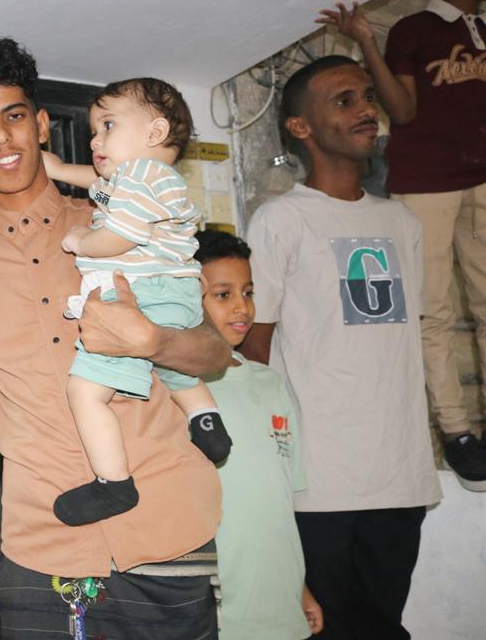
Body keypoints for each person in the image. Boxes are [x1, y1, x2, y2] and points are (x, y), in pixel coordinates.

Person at [0, 34, 226, 639]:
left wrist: (154, 342)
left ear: (41, 126)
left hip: (170, 528)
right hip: (43, 548)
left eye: (14, 117)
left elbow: (215, 352)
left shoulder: (125, 220)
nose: (1, 138)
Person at [240, 56, 442, 639]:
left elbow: (403, 339)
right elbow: (255, 350)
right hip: (318, 478)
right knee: (328, 629)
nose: (366, 110)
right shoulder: (280, 221)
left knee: (384, 628)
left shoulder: (401, 221)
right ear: (300, 127)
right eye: (344, 100)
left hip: (400, 472)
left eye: (367, 97)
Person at [316, 0, 486, 490]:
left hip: (483, 180)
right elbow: (404, 112)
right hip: (427, 181)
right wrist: (368, 42)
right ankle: (457, 431)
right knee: (432, 309)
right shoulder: (416, 29)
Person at [42, 78, 231, 527]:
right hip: (177, 295)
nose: (95, 139)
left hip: (145, 293)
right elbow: (98, 183)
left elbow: (120, 237)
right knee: (174, 370)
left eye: (107, 126)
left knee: (86, 392)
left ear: (154, 132)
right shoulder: (144, 180)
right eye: (94, 130)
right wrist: (60, 169)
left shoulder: (141, 177)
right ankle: (207, 422)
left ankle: (114, 484)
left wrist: (82, 240)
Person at [195, 229, 322, 640]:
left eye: (248, 293)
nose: (242, 307)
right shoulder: (180, 388)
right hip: (219, 612)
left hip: (281, 602)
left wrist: (300, 589)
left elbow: (277, 509)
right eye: (223, 294)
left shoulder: (270, 383)